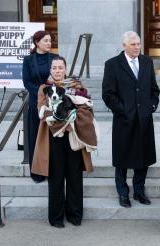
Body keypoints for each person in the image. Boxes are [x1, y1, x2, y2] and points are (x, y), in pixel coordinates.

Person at [32, 56, 96, 228]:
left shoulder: (77, 87)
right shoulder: (44, 88)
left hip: (74, 138)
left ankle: (75, 215)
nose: (57, 71)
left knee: (75, 177)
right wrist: (63, 123)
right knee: (56, 179)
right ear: (50, 70)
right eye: (54, 68)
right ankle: (56, 218)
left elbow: (87, 109)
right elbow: (42, 111)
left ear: (65, 69)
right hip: (53, 139)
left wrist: (73, 124)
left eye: (60, 68)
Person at [102, 31, 160, 208]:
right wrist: (122, 110)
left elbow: (153, 89)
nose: (137, 47)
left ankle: (139, 191)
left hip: (144, 120)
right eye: (133, 44)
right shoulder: (112, 64)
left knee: (143, 157)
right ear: (124, 46)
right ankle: (123, 193)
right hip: (124, 120)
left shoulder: (147, 62)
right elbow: (108, 94)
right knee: (122, 159)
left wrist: (151, 106)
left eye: (138, 44)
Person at [22, 30, 57, 183]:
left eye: (50, 41)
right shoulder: (28, 60)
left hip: (53, 104)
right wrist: (43, 92)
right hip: (36, 104)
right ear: (37, 42)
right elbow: (27, 82)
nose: (49, 43)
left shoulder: (55, 58)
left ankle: (51, 171)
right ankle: (37, 172)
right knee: (35, 137)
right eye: (46, 41)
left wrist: (54, 81)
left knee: (51, 138)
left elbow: (61, 77)